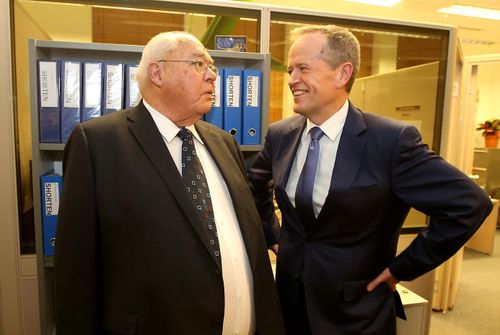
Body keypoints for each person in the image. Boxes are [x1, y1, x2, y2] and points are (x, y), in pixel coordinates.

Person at [248, 24, 492, 335]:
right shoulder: (281, 134)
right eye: (292, 68)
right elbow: (255, 187)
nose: (292, 79)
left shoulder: (391, 141)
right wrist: (274, 236)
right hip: (289, 306)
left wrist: (402, 268)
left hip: (355, 314)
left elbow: (469, 204)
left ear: (342, 73)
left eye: (303, 68)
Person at [54, 31, 285, 335]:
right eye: (199, 64)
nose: (213, 76)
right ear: (157, 72)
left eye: (211, 66)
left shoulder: (223, 142)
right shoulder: (98, 143)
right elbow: (75, 269)